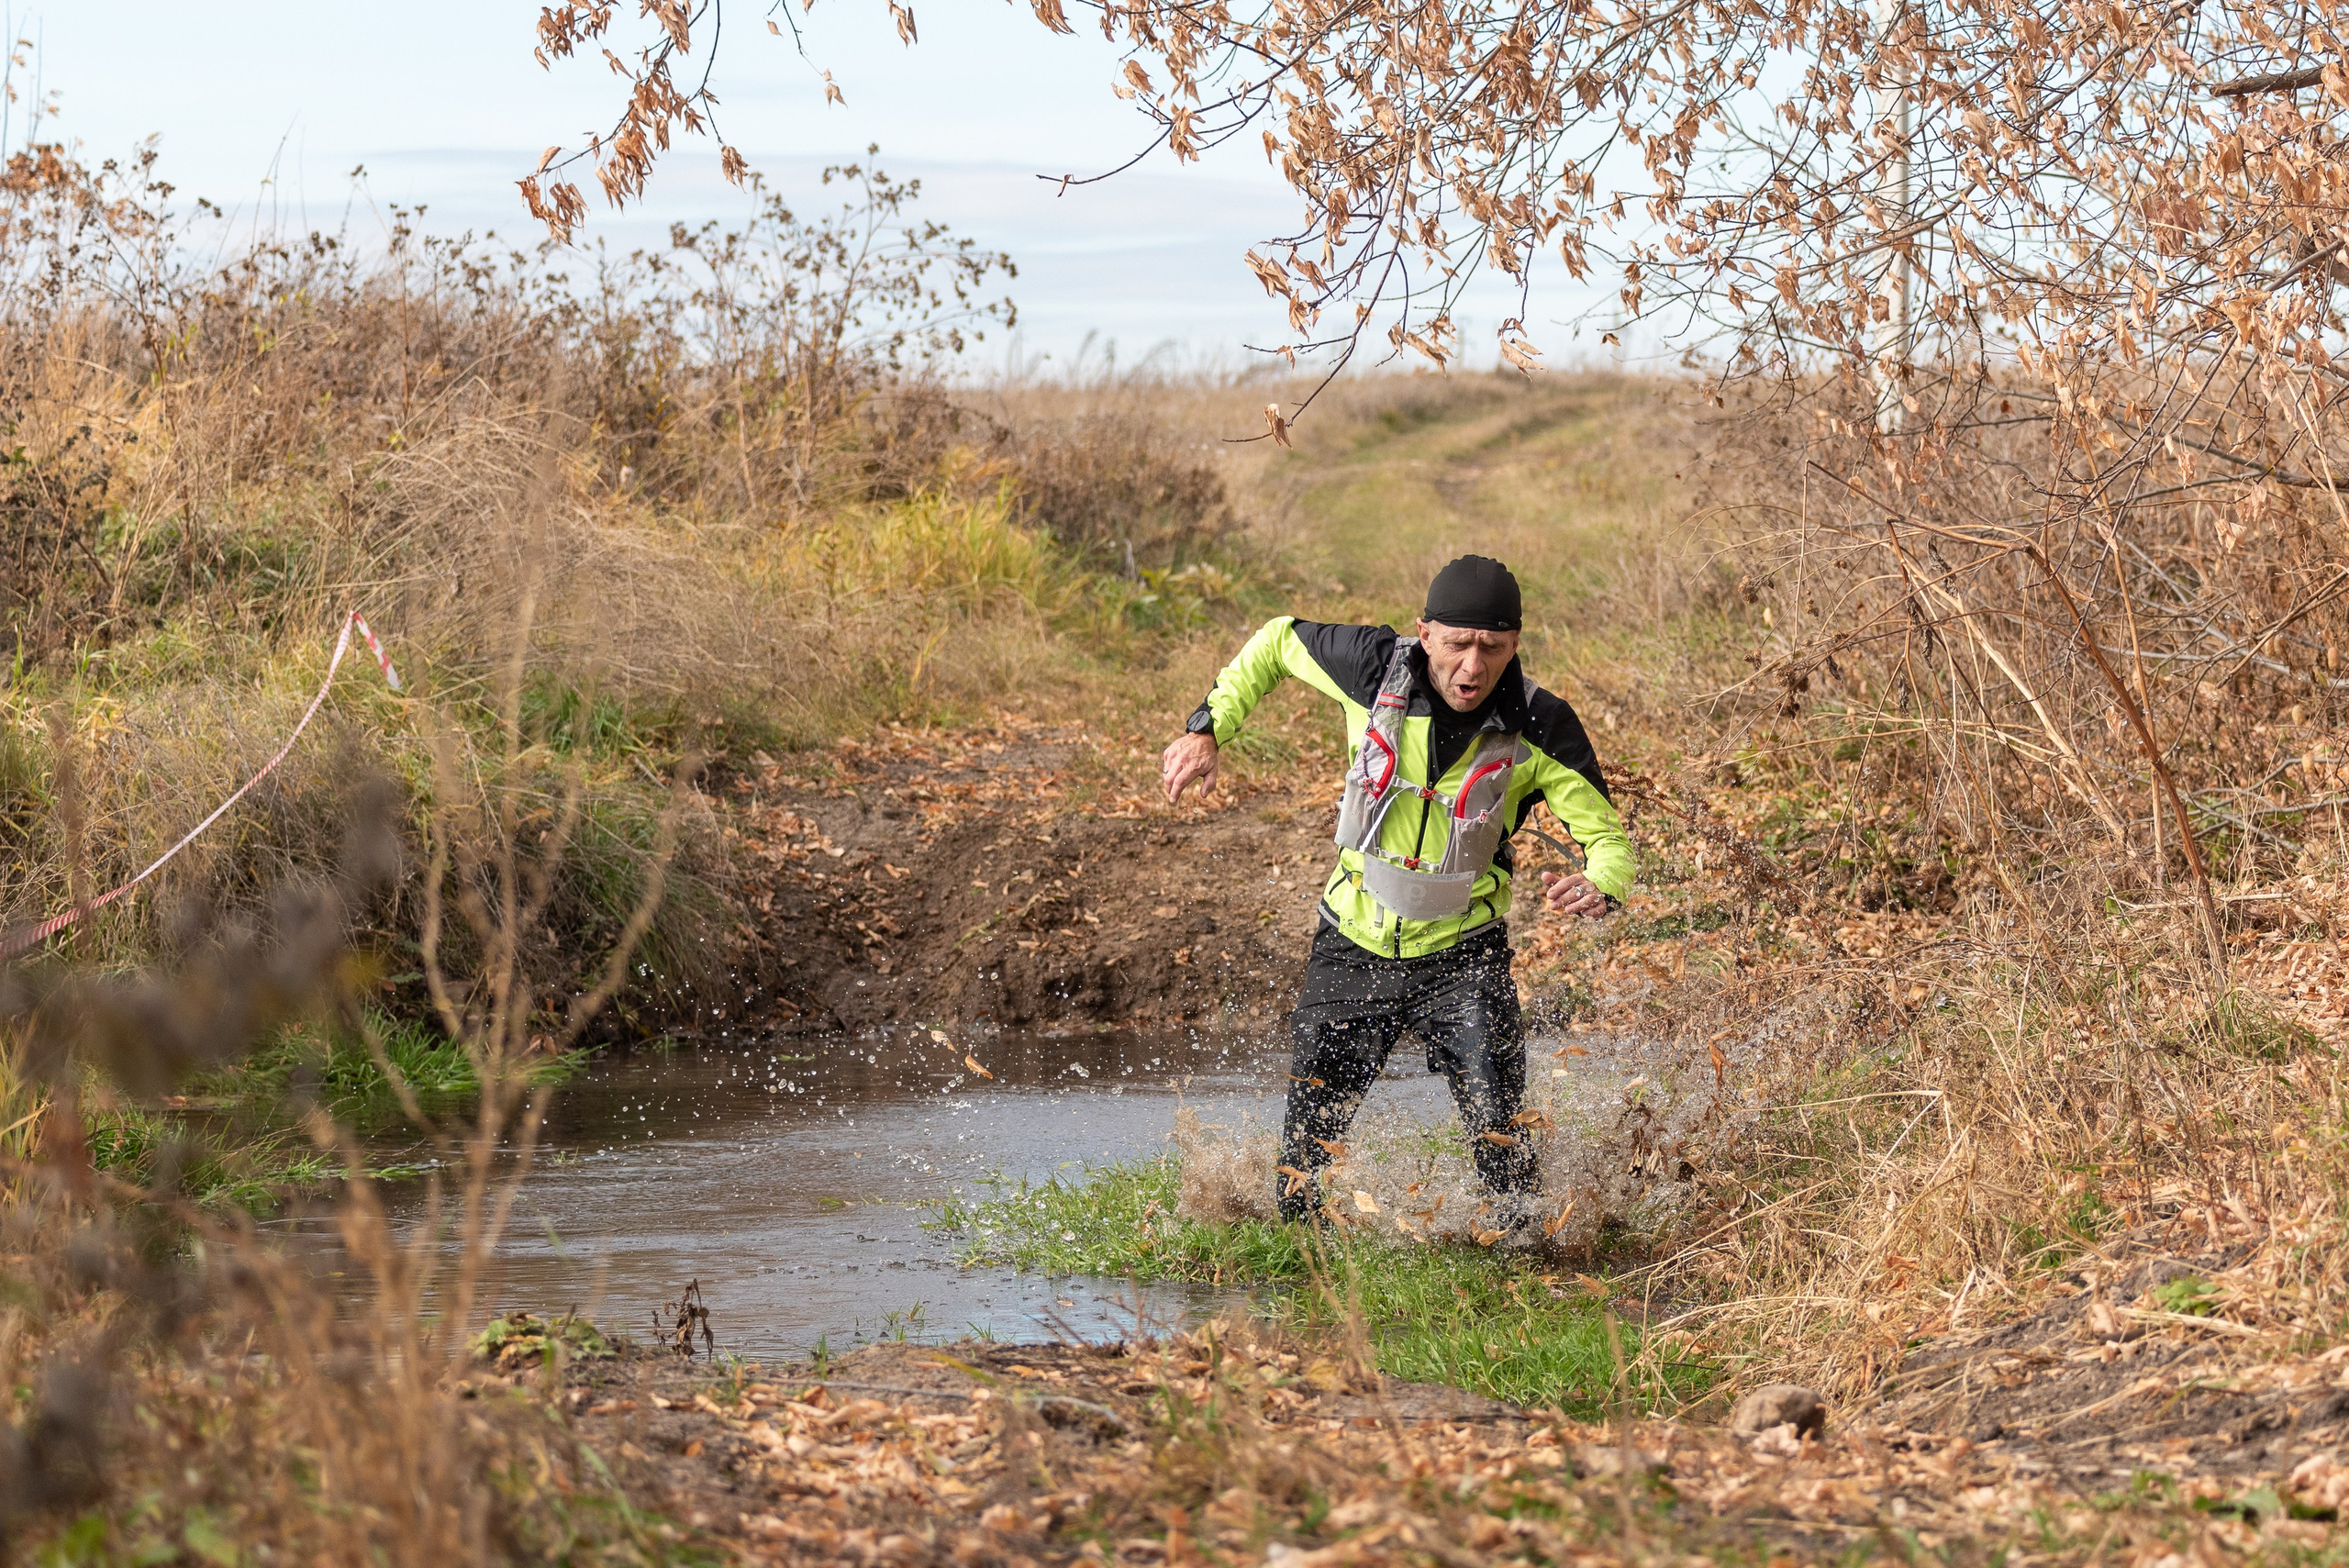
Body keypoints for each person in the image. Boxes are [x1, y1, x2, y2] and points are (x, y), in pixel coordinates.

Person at [1158, 555, 1634, 1241]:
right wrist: (1208, 727)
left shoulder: (1540, 722)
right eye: (1459, 644)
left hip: (1462, 957)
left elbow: (1610, 842)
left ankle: (1525, 1277)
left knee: (1504, 1148)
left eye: (1493, 649)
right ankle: (1304, 1274)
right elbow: (1276, 639)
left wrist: (1601, 883)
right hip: (1351, 946)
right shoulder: (1370, 664)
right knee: (1302, 1169)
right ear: (1425, 633)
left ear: (1515, 646)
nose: (1473, 667)